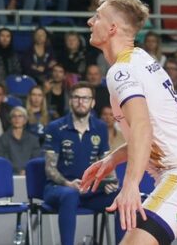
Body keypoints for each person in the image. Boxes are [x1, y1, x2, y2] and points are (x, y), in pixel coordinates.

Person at [82, 0, 177, 243]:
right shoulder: (142, 59)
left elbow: (142, 127)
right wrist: (113, 158)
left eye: (97, 17)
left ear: (112, 28)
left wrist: (130, 185)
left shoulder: (121, 71)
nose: (90, 21)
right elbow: (154, 130)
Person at [42, 81, 115, 245]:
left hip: (89, 190)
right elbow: (49, 169)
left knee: (121, 196)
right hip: (59, 189)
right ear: (70, 101)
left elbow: (107, 160)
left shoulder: (100, 127)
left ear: (92, 103)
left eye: (85, 98)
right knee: (70, 195)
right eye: (76, 97)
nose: (81, 102)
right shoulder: (55, 127)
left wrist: (111, 182)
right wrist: (68, 184)